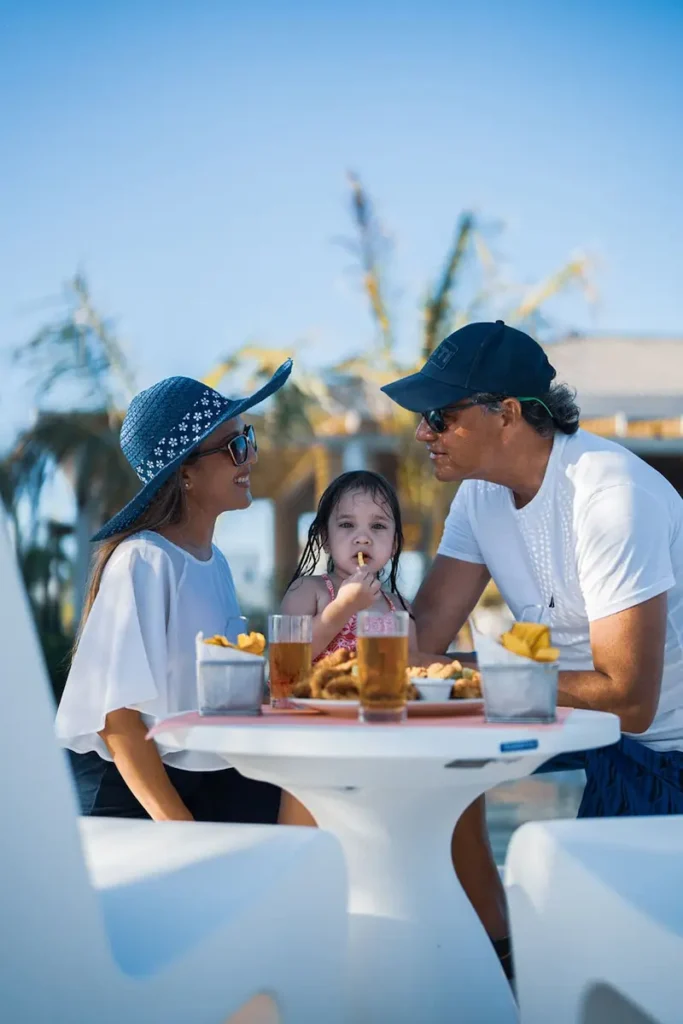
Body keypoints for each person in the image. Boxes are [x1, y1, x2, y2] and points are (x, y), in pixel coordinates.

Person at [381, 319, 683, 979]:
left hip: (662, 751)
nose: (420, 433)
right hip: (584, 726)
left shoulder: (609, 497)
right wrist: (346, 596)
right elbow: (422, 639)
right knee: (437, 764)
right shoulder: (478, 496)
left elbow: (627, 699)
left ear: (508, 414)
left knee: (619, 968)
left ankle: (529, 968)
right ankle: (497, 951)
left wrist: (456, 673)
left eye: (438, 415)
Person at [56, 360, 292, 824]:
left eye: (250, 441)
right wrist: (180, 829)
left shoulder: (216, 564)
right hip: (129, 795)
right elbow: (117, 722)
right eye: (235, 446)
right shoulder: (144, 561)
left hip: (194, 778)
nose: (251, 457)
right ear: (185, 473)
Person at [281, 470, 417, 660]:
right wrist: (344, 606)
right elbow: (287, 658)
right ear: (326, 539)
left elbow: (412, 669)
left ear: (394, 544)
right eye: (347, 525)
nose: (362, 538)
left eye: (378, 526)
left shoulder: (400, 610)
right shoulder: (307, 591)